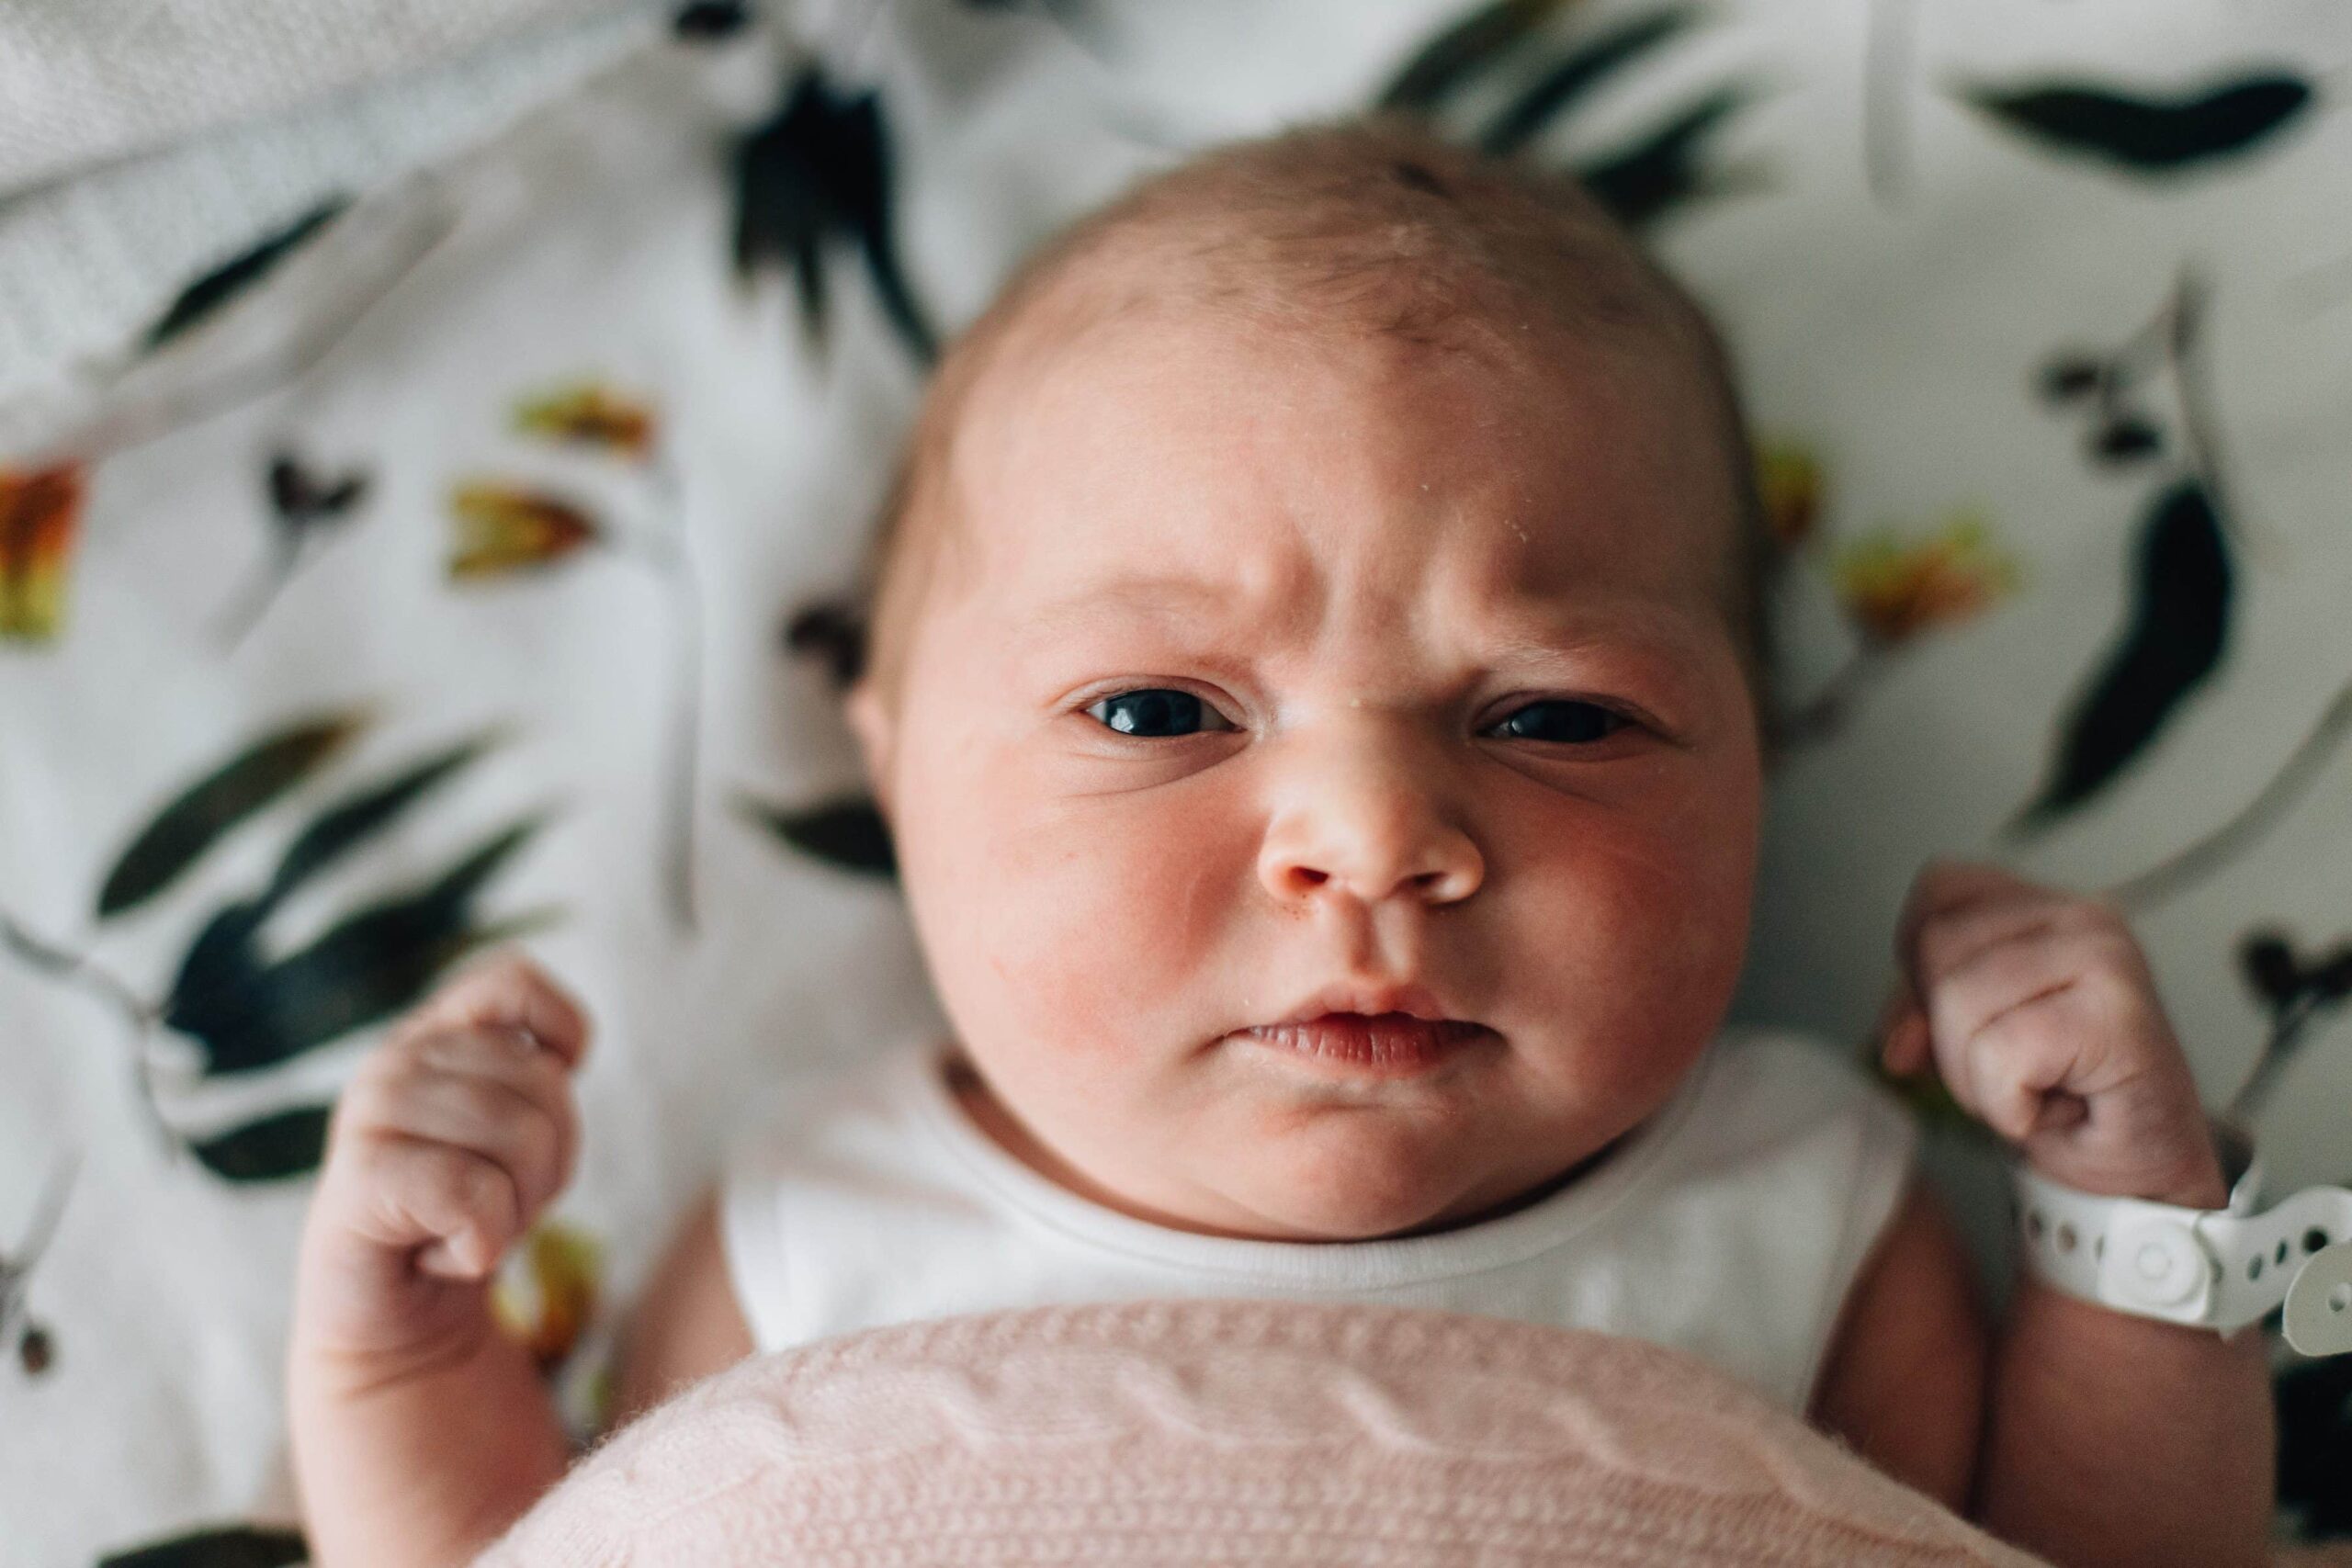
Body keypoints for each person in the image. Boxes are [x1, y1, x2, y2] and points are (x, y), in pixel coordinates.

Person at [286, 120, 2270, 1567]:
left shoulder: (1798, 1198)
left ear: (1755, 765)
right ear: (894, 784)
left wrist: (2121, 1218)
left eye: (1553, 715)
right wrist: (402, 1345)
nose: (1374, 838)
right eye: (1158, 713)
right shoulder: (815, 1228)